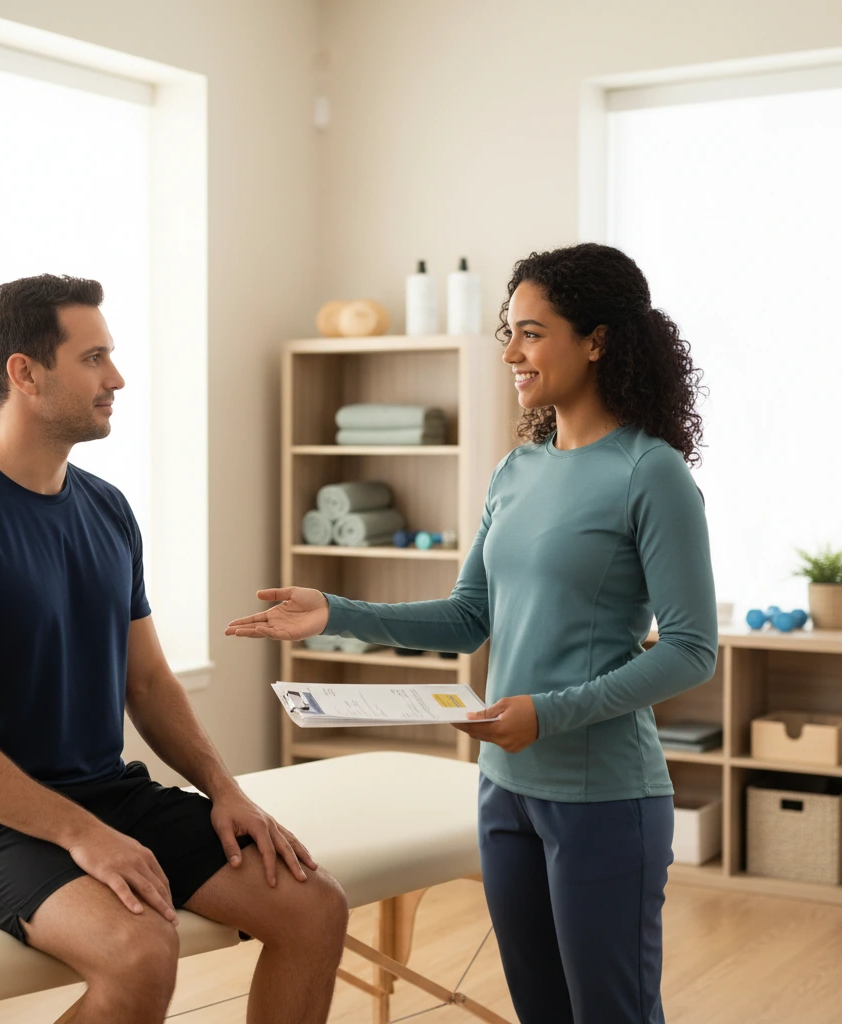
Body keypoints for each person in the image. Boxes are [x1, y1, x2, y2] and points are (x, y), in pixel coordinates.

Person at [225, 243, 718, 1024]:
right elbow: (468, 616)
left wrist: (544, 713)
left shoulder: (650, 473)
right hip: (505, 793)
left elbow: (692, 648)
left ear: (597, 340)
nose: (512, 354)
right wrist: (338, 612)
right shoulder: (516, 470)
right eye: (508, 333)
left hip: (602, 797)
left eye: (532, 332)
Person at [0, 274, 348, 1024]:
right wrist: (85, 837)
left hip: (102, 792)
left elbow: (151, 682)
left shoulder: (106, 509)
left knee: (314, 907)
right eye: (94, 358)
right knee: (140, 951)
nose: (117, 378)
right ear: (24, 374)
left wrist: (224, 787)